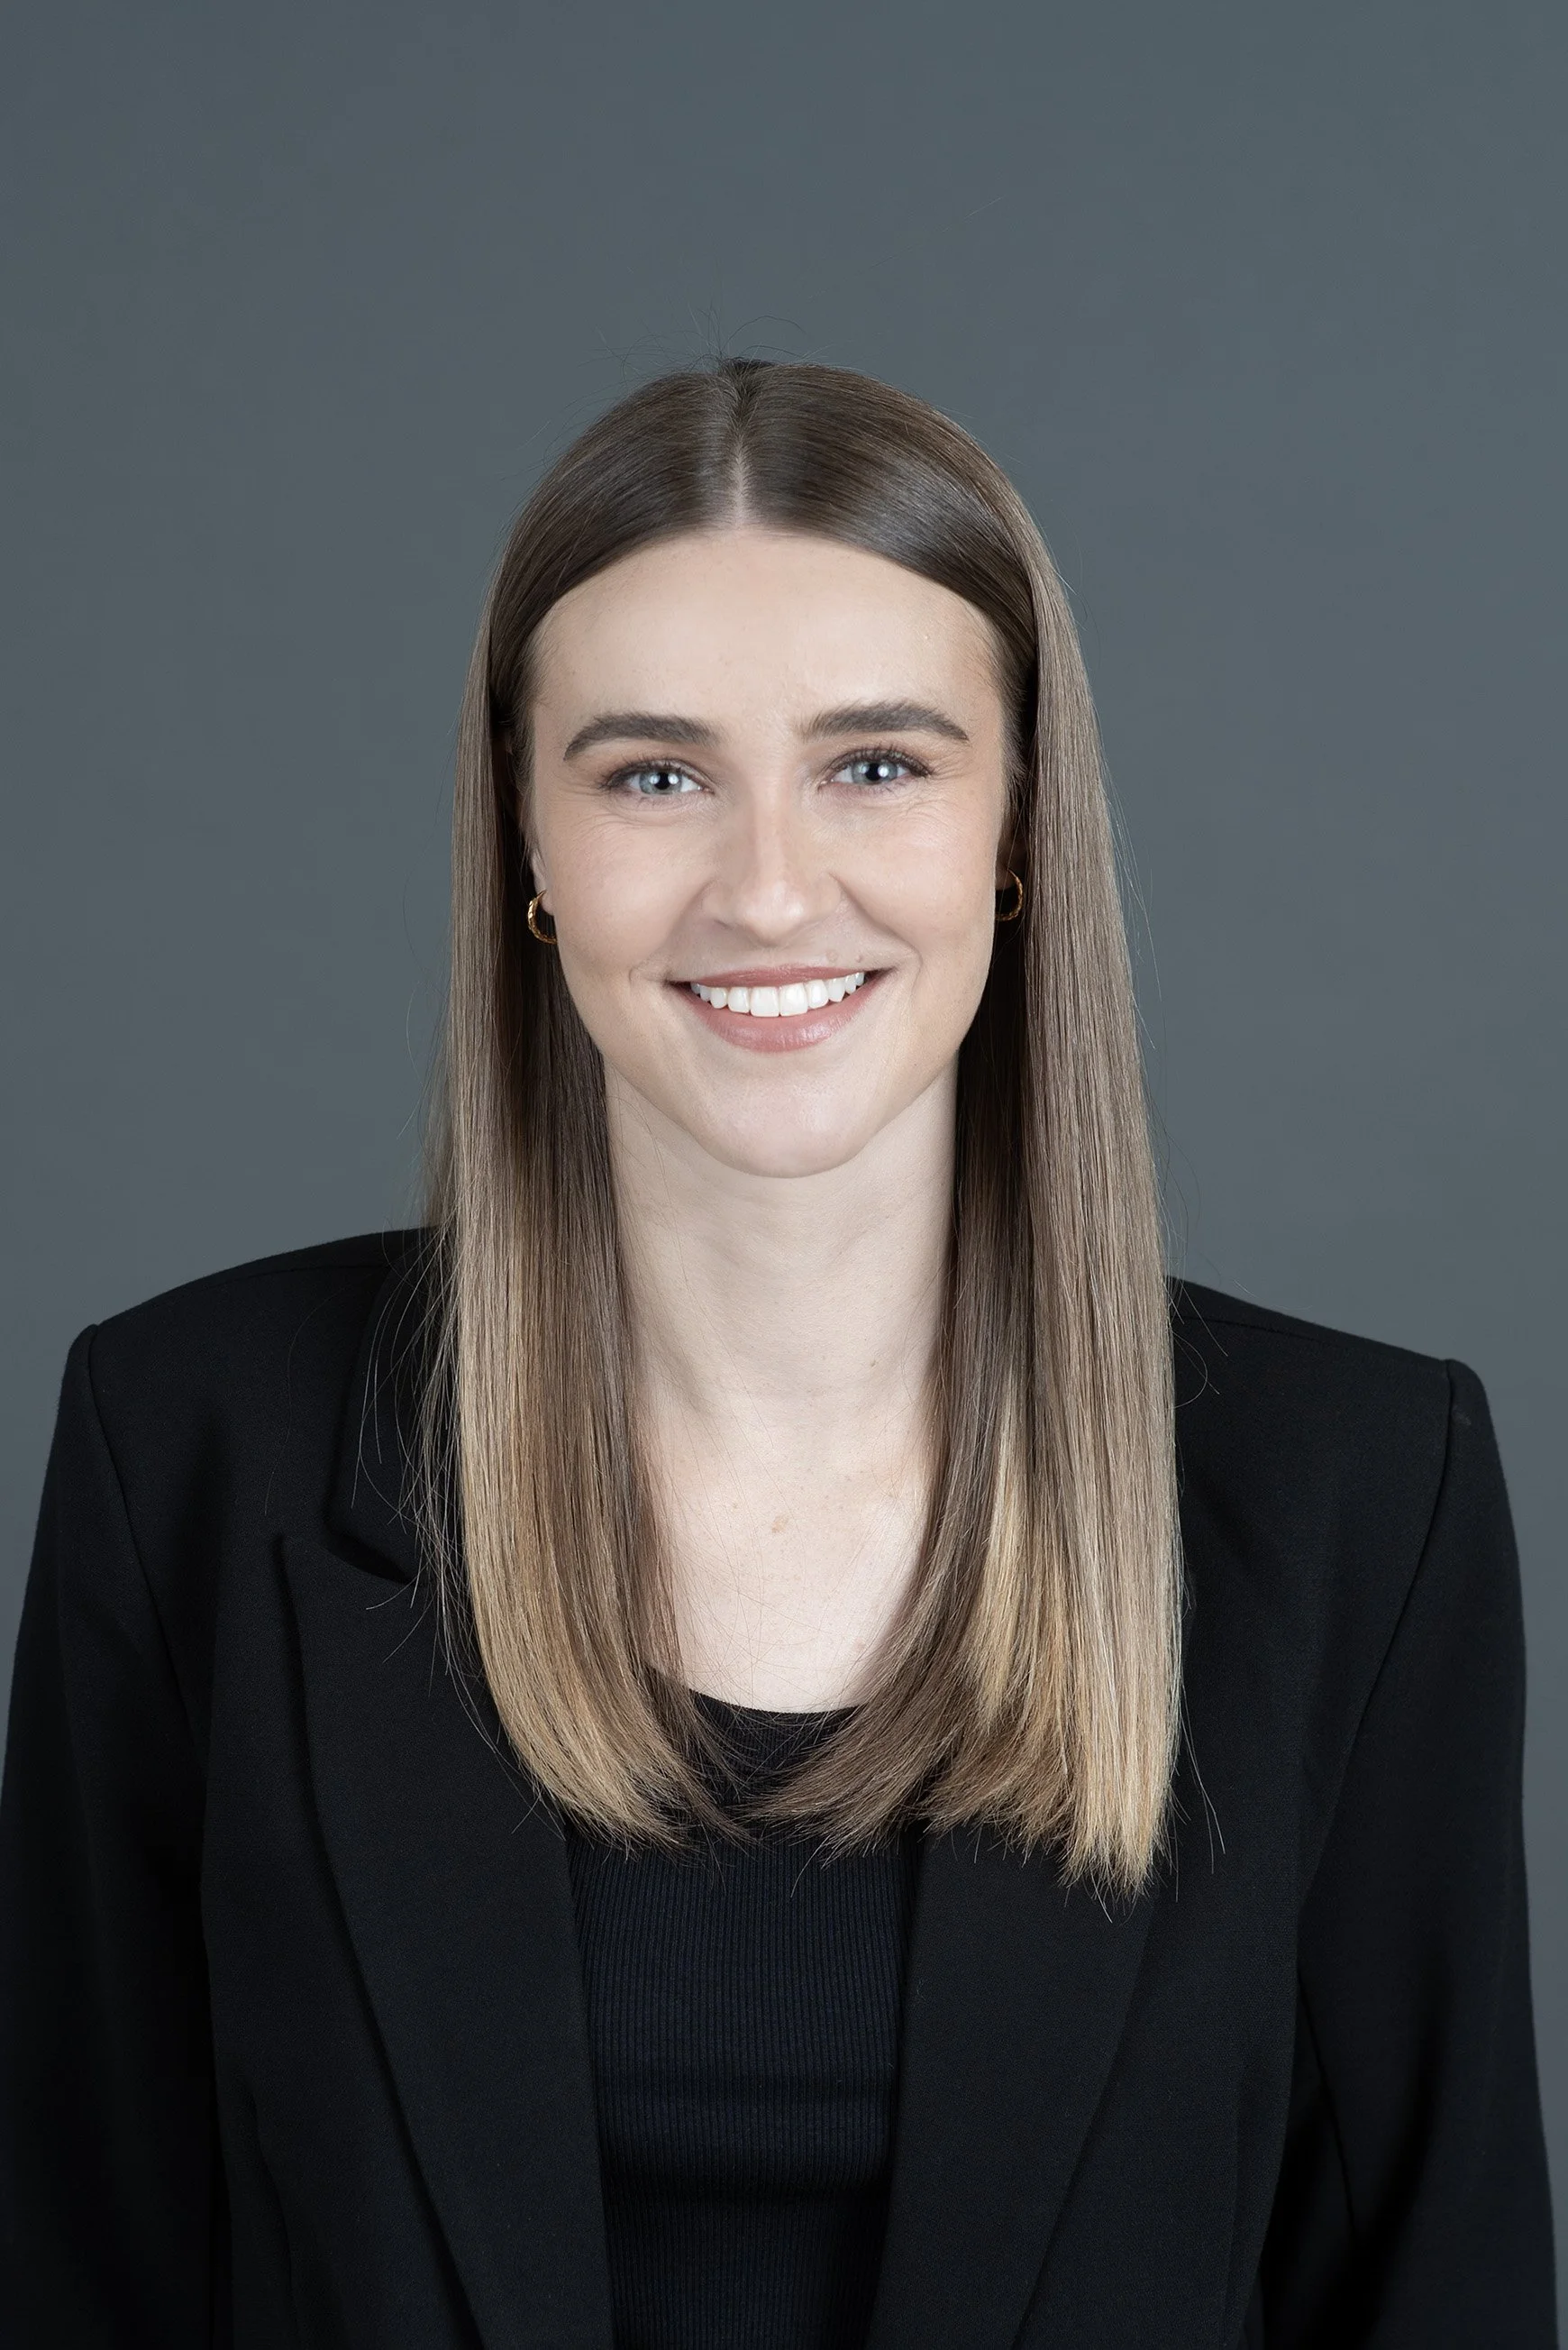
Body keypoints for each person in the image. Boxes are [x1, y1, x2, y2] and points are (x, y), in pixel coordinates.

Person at [0, 358, 1555, 2349]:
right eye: (654, 772)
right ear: (528, 849)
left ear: (1017, 826)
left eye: (878, 764)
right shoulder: (188, 1450)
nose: (765, 887)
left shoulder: (1362, 1498)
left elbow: (1446, 2291)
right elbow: (81, 2271)